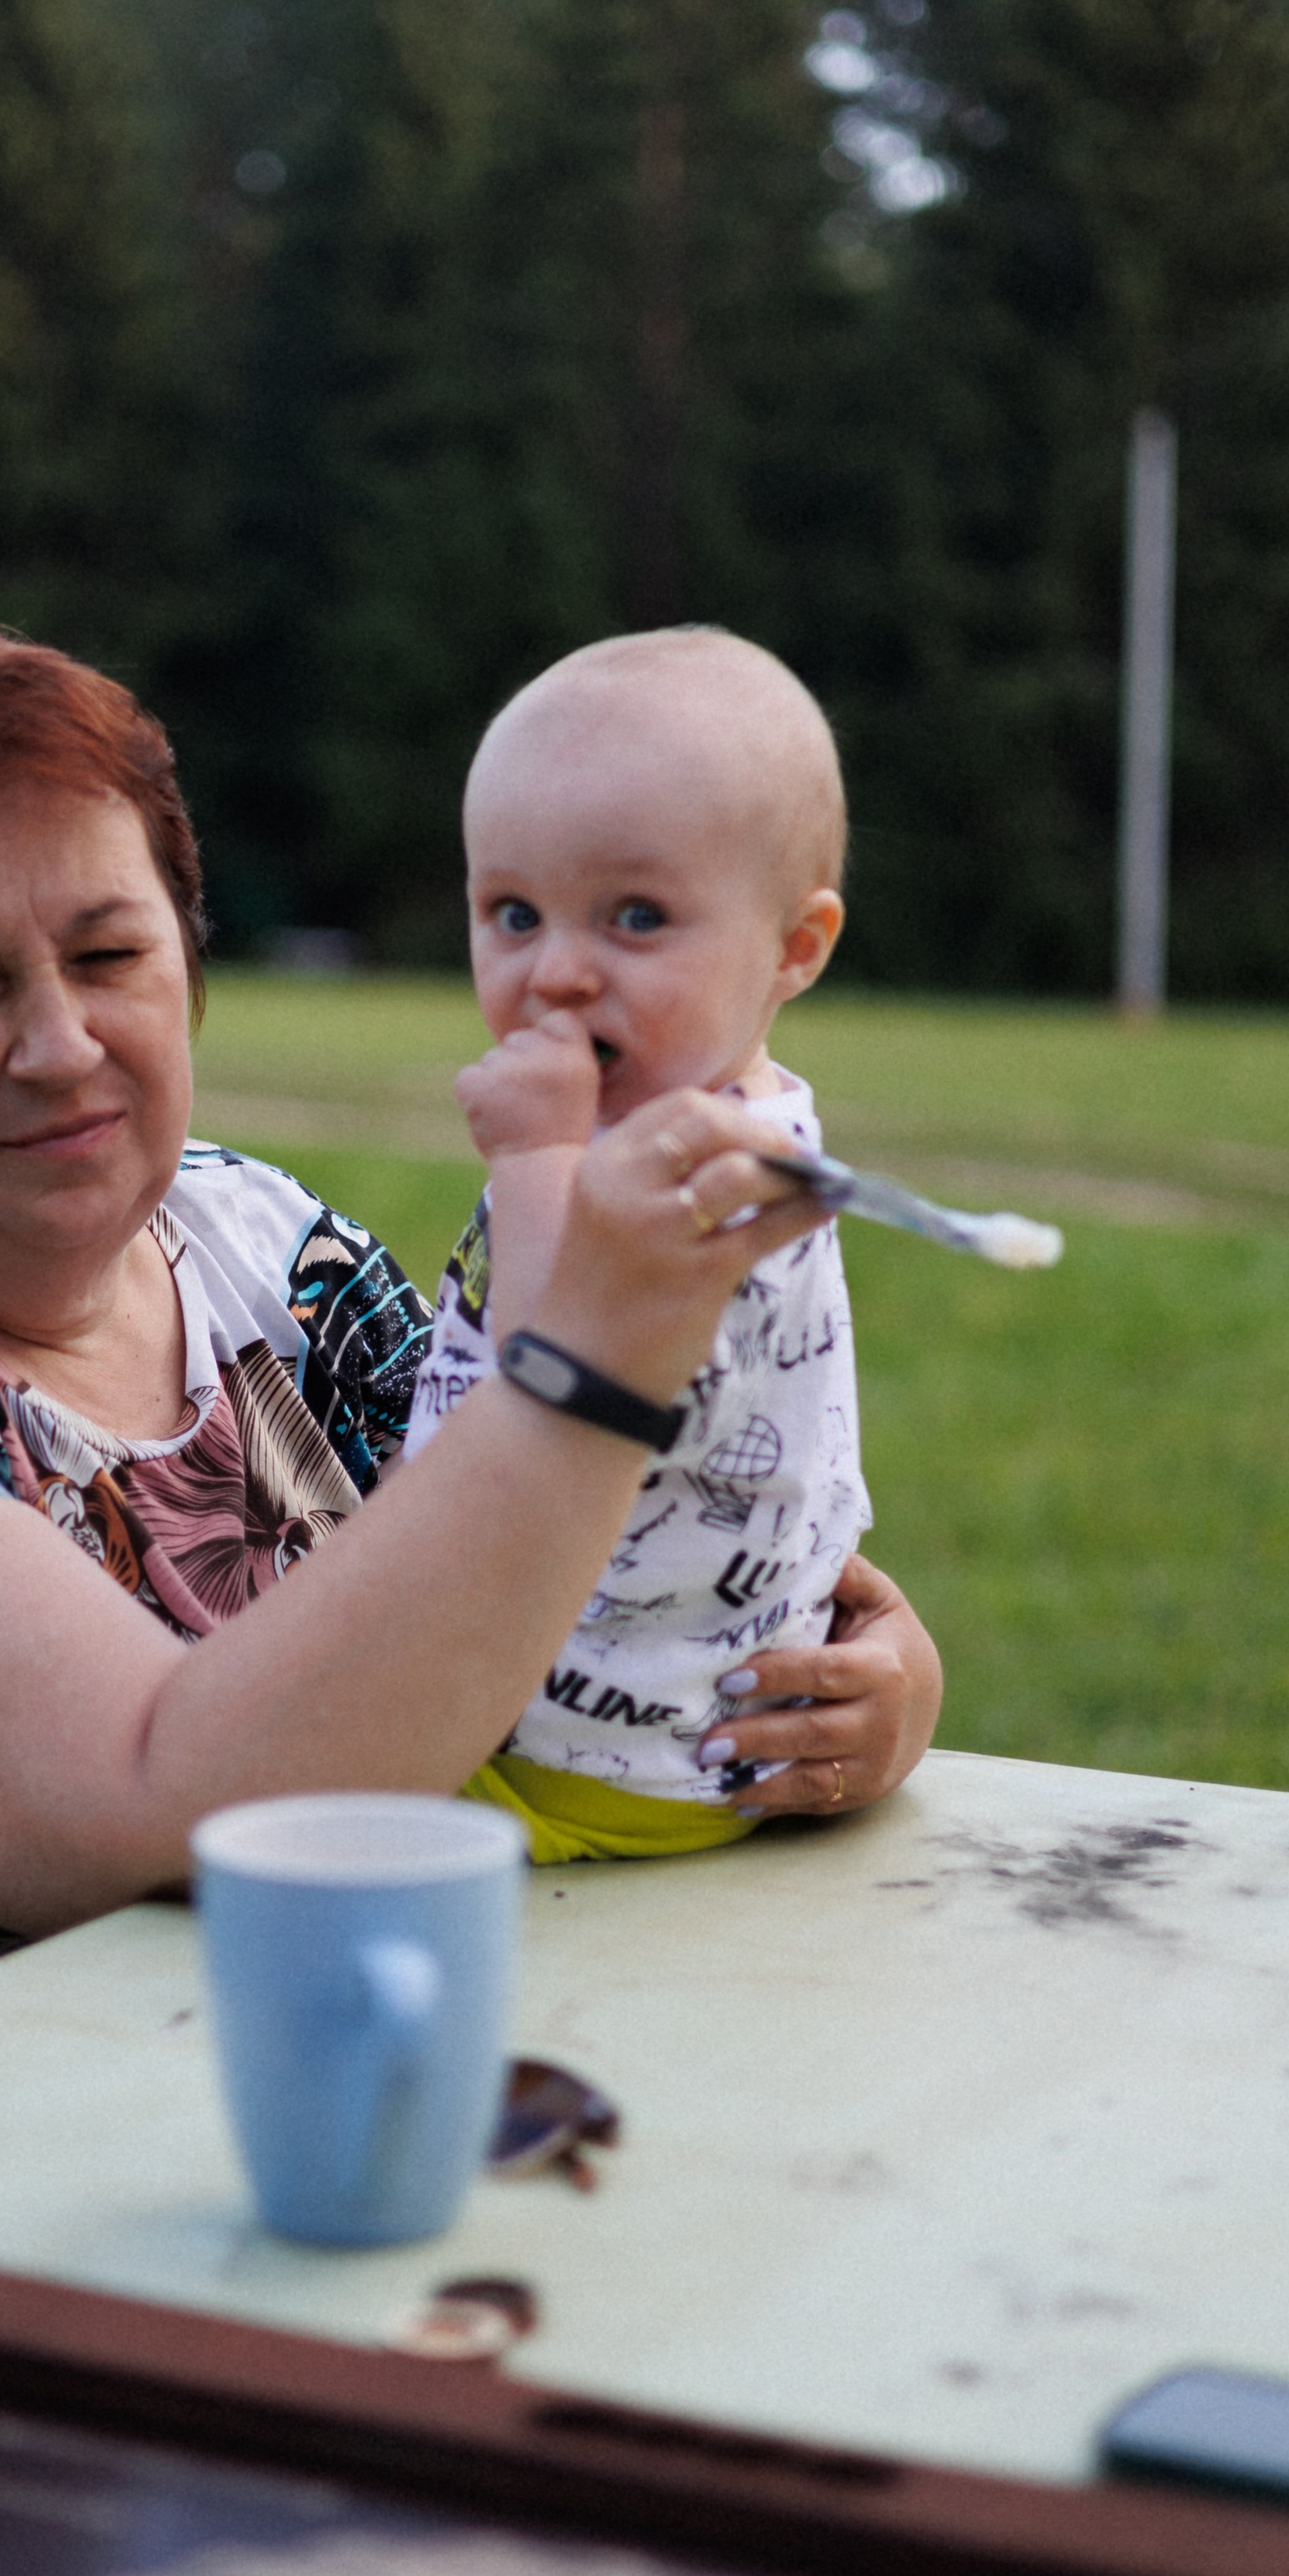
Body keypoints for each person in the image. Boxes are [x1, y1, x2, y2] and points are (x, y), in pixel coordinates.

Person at [0, 598, 940, 2158]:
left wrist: (852, 1693)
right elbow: (170, 1804)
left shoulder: (258, 1246)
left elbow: (582, 1571)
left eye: (110, 954)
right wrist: (597, 1368)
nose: (59, 1044)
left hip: (198, 2188)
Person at [403, 628, 874, 1863]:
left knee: (255, 1834)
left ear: (795, 948)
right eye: (513, 912)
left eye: (636, 917)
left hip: (565, 1755)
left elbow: (551, 1373)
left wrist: (531, 1158)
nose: (555, 974)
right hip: (662, 1726)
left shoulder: (695, 1184)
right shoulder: (745, 1131)